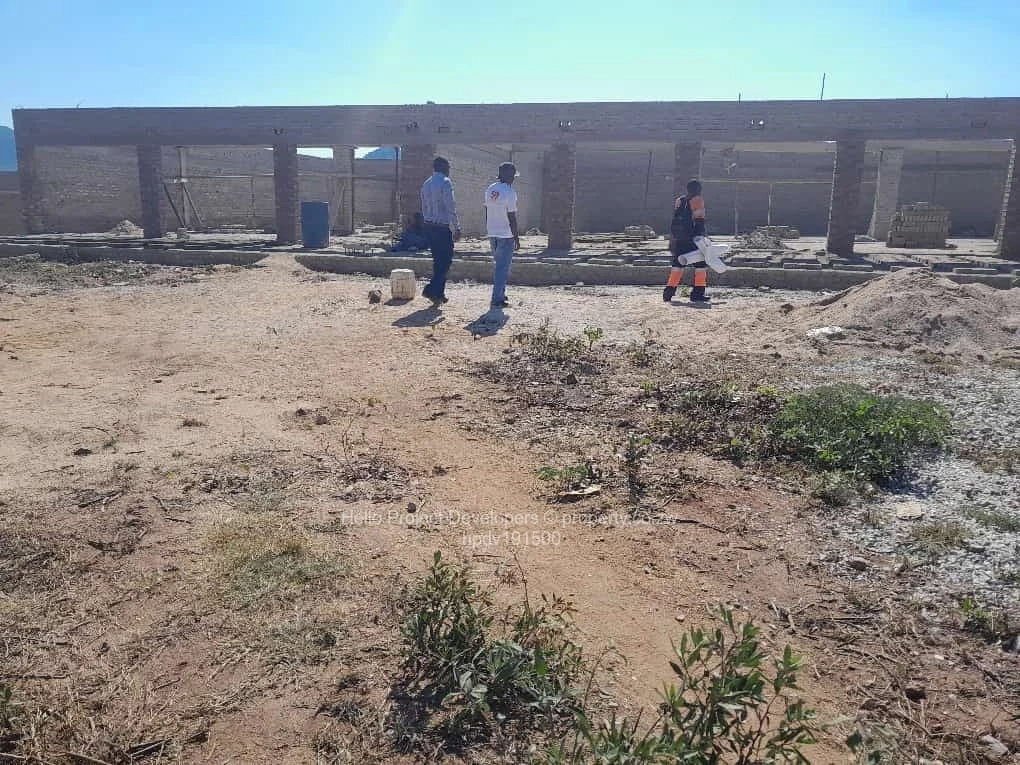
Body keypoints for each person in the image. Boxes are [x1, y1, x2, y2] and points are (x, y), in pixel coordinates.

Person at [420, 156, 461, 306]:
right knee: (446, 260)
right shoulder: (445, 182)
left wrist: (427, 221)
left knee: (438, 261)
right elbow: (451, 207)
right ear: (443, 167)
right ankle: (431, 289)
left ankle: (439, 293)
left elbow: (423, 206)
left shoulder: (426, 183)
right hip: (442, 228)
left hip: (429, 226)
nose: (449, 170)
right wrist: (456, 227)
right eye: (448, 167)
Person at [663, 179, 710, 303]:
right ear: (698, 189)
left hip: (679, 238)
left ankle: (668, 292)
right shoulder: (697, 200)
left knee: (677, 264)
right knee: (700, 265)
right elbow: (699, 220)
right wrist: (701, 237)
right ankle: (697, 294)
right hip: (693, 239)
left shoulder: (680, 200)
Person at [483, 162, 521, 309]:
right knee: (502, 268)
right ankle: (497, 299)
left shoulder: (490, 189)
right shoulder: (510, 192)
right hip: (506, 235)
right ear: (510, 176)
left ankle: (501, 293)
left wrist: (489, 227)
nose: (514, 178)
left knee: (500, 266)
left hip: (492, 232)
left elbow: (487, 210)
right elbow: (512, 217)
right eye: (513, 176)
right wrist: (516, 237)